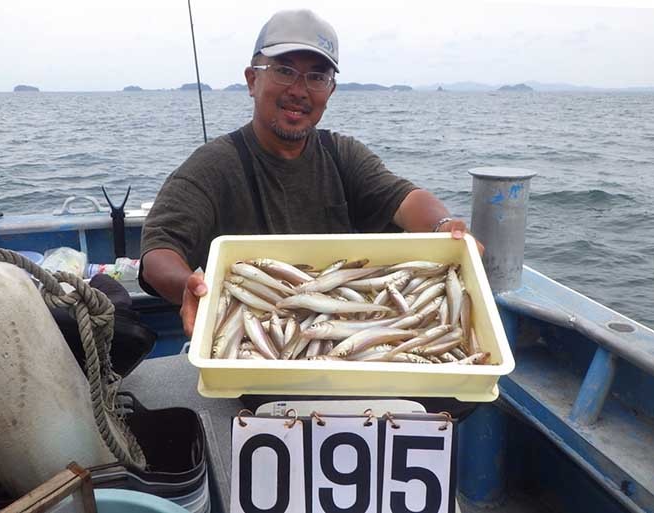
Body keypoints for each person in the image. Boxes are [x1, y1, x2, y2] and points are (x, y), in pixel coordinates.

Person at [140, 9, 478, 337]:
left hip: (342, 332)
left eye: (317, 76)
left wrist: (443, 226)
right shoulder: (213, 166)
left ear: (330, 91)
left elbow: (404, 199)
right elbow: (159, 250)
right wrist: (188, 285)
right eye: (284, 70)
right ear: (252, 79)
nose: (299, 90)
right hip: (260, 346)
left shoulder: (342, 155)